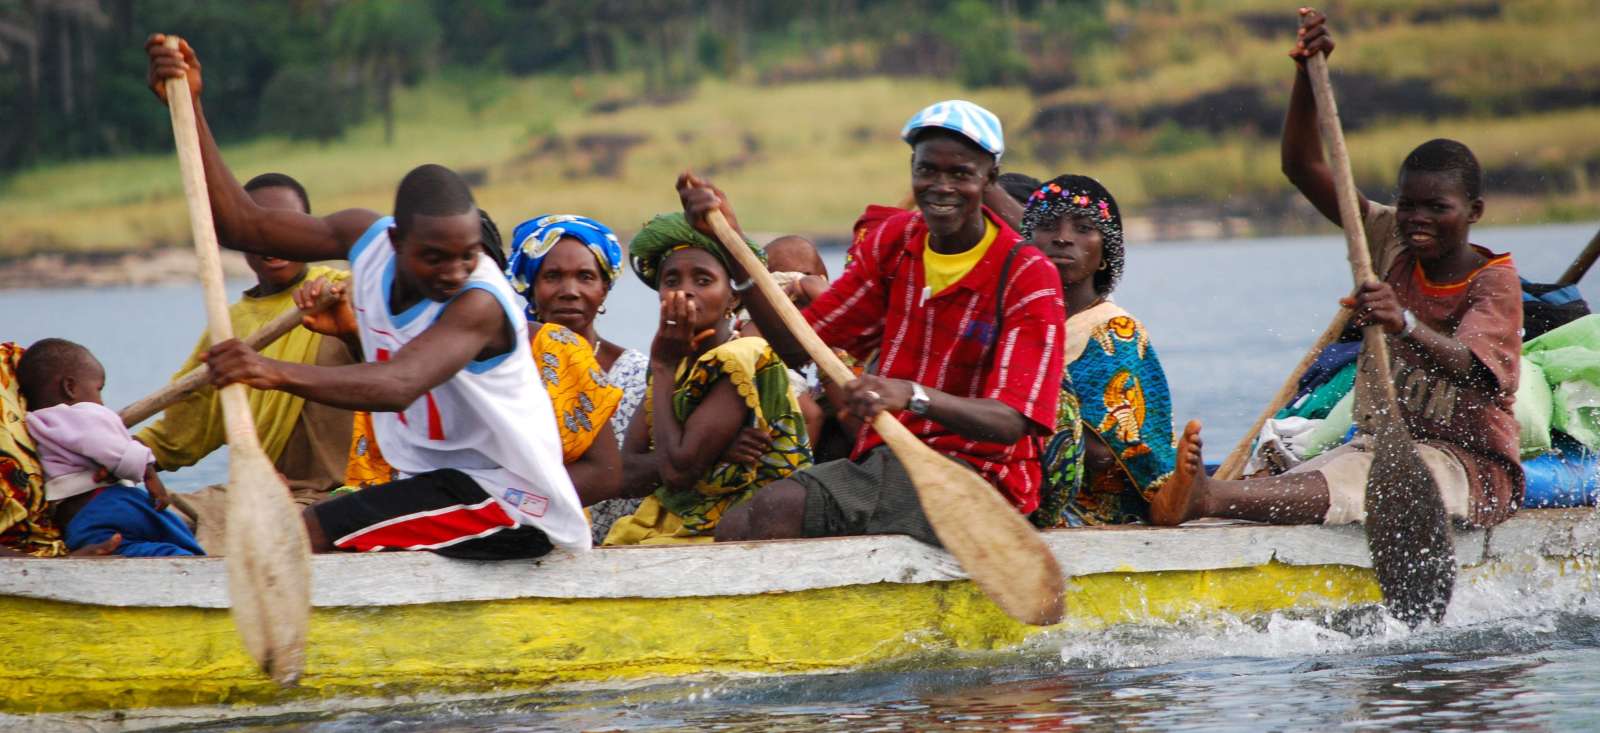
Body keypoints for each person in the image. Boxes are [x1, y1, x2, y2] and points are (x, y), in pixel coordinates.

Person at [146, 36, 588, 557]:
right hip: (436, 485)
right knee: (313, 523)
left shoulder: (480, 302)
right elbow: (244, 224)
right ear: (395, 241)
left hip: (511, 502)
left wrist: (268, 371)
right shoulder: (365, 238)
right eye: (436, 258)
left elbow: (399, 382)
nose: (455, 272)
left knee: (305, 533)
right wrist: (190, 104)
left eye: (469, 255)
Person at [1151, 9, 1524, 529]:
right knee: (1279, 478)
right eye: (1409, 204)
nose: (1418, 220)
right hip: (1383, 444)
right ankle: (1207, 499)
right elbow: (1302, 166)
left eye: (1438, 208)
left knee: (1356, 483)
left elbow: (1476, 370)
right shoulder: (1390, 238)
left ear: (1474, 212)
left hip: (1468, 465)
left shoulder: (1494, 281)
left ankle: (1207, 498)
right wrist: (1306, 76)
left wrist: (1405, 326)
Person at [697, 99, 1067, 546]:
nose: (941, 187)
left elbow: (1011, 420)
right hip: (889, 460)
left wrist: (911, 396)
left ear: (989, 179)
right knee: (738, 524)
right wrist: (732, 247)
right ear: (912, 169)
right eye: (928, 171)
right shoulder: (897, 241)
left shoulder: (1029, 275)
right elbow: (802, 346)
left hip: (982, 481)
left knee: (778, 511)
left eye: (961, 174)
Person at [135, 172, 356, 550]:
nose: (274, 242)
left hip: (330, 494)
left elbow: (395, 364)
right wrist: (115, 455)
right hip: (256, 490)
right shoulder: (228, 325)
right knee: (138, 517)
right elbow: (186, 428)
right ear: (237, 236)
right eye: (259, 230)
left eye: (287, 228)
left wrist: (347, 321)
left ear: (309, 231)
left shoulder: (340, 290)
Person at [603, 213, 813, 545]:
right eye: (672, 281)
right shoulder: (674, 360)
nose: (685, 292)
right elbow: (626, 473)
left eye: (703, 281)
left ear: (733, 298)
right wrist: (713, 455)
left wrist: (663, 370)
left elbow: (677, 473)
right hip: (675, 522)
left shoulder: (743, 356)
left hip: (738, 530)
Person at [1024, 175, 1178, 527]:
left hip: (1089, 515)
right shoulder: (1016, 324)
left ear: (1105, 251)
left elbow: (1100, 455)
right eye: (1047, 226)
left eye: (1083, 228)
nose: (1062, 238)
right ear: (1025, 241)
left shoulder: (1115, 331)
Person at [506, 214, 645, 543]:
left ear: (605, 288)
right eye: (552, 276)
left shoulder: (639, 372)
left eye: (585, 277)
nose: (570, 291)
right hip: (528, 543)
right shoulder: (507, 370)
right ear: (531, 287)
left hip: (626, 548)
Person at [19, 339, 202, 557]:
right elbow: (117, 450)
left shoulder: (33, 423)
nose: (102, 402)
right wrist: (150, 474)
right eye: (98, 389)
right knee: (169, 527)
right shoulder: (83, 413)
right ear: (70, 387)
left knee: (120, 547)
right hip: (106, 503)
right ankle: (190, 559)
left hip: (73, 520)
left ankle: (142, 557)